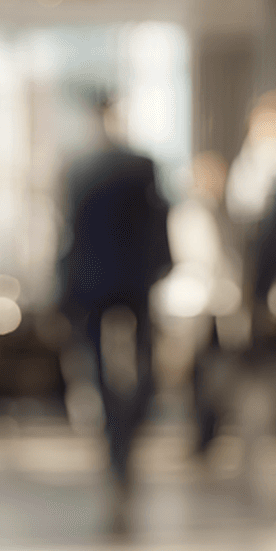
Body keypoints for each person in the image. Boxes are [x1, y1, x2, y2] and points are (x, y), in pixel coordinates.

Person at [58, 93, 173, 488]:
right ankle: (126, 428)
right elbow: (159, 220)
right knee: (142, 362)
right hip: (133, 279)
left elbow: (68, 231)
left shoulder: (77, 168)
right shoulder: (141, 166)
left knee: (97, 365)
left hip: (93, 281)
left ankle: (115, 429)